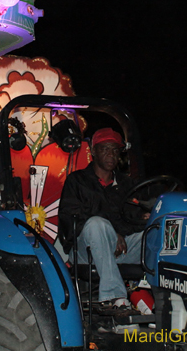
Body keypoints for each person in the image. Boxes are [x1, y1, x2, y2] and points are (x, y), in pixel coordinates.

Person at [59, 128, 145, 313]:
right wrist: (112, 232)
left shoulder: (127, 185)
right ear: (93, 151)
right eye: (105, 149)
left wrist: (145, 219)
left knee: (157, 233)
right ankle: (116, 298)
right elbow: (70, 217)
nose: (111, 154)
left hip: (119, 248)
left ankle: (163, 299)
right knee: (97, 224)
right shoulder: (77, 181)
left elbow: (132, 218)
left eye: (115, 150)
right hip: (85, 249)